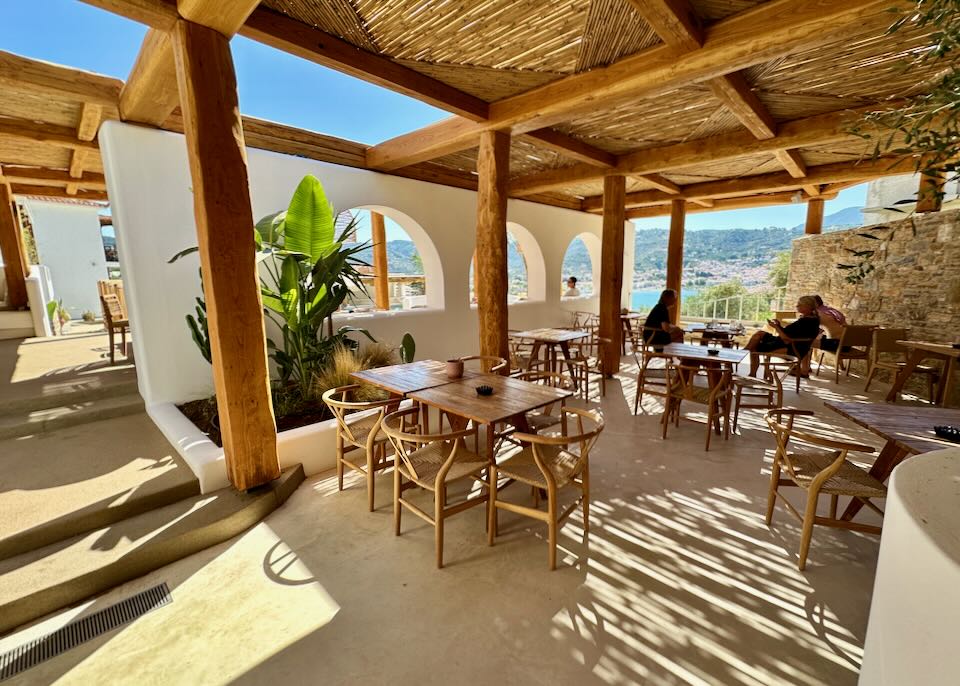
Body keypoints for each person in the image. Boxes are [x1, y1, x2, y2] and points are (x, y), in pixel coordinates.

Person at [744, 295, 821, 376]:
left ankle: (750, 369)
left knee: (755, 348)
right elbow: (790, 333)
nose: (797, 306)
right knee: (759, 334)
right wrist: (779, 325)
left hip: (791, 347)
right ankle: (745, 351)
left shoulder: (807, 321)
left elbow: (786, 339)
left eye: (800, 304)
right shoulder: (809, 319)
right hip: (785, 342)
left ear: (808, 306)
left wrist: (776, 327)